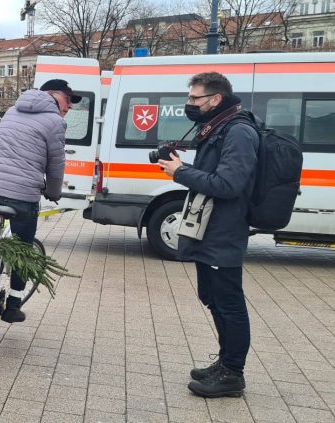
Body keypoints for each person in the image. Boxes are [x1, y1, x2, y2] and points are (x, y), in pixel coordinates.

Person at [158, 72, 259, 398]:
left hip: (223, 231)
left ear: (214, 100)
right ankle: (225, 363)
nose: (189, 105)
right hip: (210, 230)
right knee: (213, 298)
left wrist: (181, 172)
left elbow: (229, 185)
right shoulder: (219, 128)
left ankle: (233, 373)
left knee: (228, 303)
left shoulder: (239, 132)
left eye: (194, 99)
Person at [0, 79, 78, 323]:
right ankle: (12, 305)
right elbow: (56, 163)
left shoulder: (11, 111)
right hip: (22, 193)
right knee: (23, 246)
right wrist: (54, 192)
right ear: (52, 95)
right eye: (67, 99)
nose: (70, 106)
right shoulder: (55, 122)